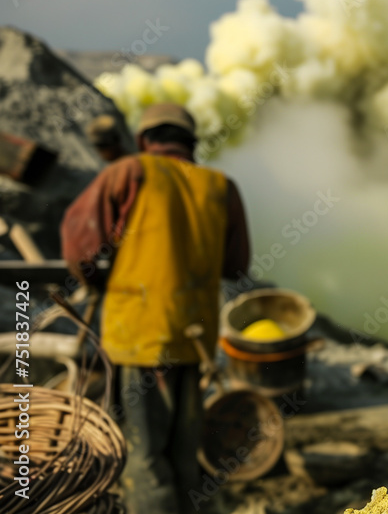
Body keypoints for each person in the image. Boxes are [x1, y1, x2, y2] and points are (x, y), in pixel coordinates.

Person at [61, 103, 250, 513]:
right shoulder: (221, 186)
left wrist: (99, 279)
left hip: (141, 336)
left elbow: (79, 245)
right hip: (195, 337)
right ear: (191, 143)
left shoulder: (129, 172)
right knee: (185, 453)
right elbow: (236, 265)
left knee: (144, 456)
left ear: (145, 140)